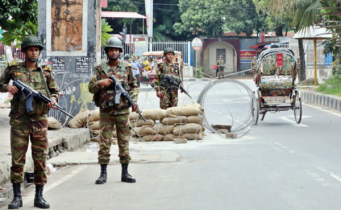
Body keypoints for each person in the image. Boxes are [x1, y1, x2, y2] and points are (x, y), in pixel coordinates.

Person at [0, 35, 59, 209]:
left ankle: (39, 196)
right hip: (20, 121)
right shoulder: (14, 69)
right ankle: (17, 197)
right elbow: (0, 83)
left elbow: (55, 91)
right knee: (18, 160)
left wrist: (53, 100)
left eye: (36, 49)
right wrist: (7, 87)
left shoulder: (46, 71)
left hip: (40, 121)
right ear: (25, 51)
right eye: (31, 49)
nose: (34, 52)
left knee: (40, 159)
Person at [88, 37, 139, 185]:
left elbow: (134, 86)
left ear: (120, 52)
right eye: (111, 49)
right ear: (107, 51)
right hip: (106, 111)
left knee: (124, 142)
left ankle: (125, 172)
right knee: (104, 142)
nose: (114, 52)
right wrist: (99, 83)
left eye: (116, 50)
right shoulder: (100, 68)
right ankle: (103, 173)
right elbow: (91, 88)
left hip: (122, 111)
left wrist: (134, 100)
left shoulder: (127, 67)